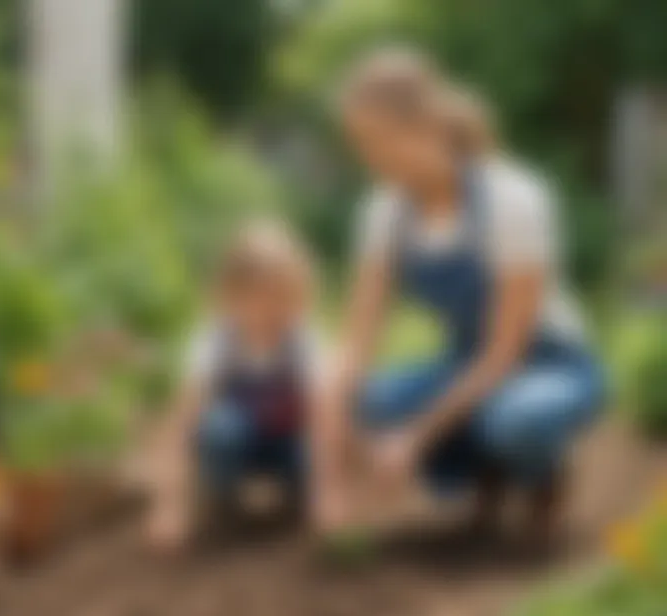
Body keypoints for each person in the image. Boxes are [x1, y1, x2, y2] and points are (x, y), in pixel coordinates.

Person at [315, 48, 606, 548]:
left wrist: (414, 438)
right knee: (372, 401)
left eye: (375, 142)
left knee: (515, 421)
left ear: (424, 127)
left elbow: (503, 355)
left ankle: (545, 478)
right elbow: (356, 343)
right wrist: (332, 477)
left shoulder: (513, 199)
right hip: (467, 363)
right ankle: (482, 477)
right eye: (359, 146)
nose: (368, 160)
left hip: (549, 365)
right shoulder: (384, 212)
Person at [145, 219, 322, 550]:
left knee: (313, 450)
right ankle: (221, 502)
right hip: (236, 443)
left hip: (288, 444)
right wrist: (168, 505)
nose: (272, 310)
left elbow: (324, 414)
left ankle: (298, 498)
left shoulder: (301, 340)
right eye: (260, 298)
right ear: (230, 297)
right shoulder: (215, 342)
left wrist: (331, 492)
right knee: (219, 429)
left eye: (284, 298)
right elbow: (182, 420)